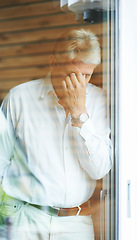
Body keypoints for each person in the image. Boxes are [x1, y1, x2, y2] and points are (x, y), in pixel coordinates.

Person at [0, 28, 112, 240]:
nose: (79, 84)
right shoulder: (19, 98)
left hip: (76, 225)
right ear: (53, 63)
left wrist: (80, 114)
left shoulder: (100, 102)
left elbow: (99, 170)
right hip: (25, 220)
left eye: (86, 75)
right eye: (73, 74)